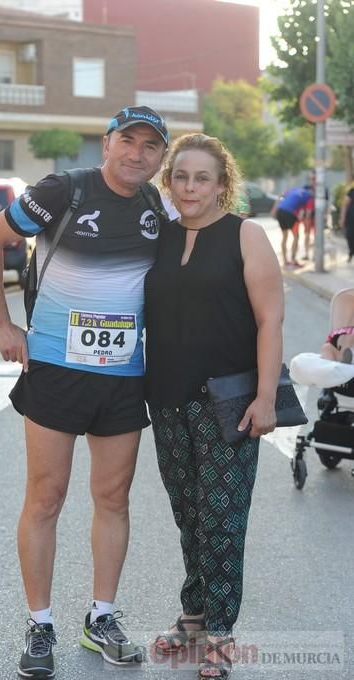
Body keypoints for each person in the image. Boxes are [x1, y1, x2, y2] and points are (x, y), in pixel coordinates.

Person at [0, 105, 168, 678]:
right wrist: (1, 324)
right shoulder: (65, 190)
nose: (137, 153)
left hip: (124, 374)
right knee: (46, 497)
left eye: (150, 146)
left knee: (114, 498)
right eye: (127, 141)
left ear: (160, 157)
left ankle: (101, 618)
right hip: (56, 367)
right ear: (107, 144)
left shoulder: (157, 207)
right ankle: (40, 624)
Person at [144, 133, 284, 679]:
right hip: (167, 399)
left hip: (229, 400)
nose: (190, 187)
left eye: (202, 178)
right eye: (180, 177)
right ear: (168, 181)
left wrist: (267, 396)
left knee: (223, 520)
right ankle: (195, 615)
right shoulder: (158, 236)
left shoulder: (246, 235)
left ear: (222, 184)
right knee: (190, 516)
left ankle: (221, 632)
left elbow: (270, 319)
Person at [271, 182, 314, 269]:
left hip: (280, 210)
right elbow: (308, 214)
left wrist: (274, 209)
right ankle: (293, 260)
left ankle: (285, 261)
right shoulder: (309, 197)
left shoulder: (293, 190)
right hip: (290, 213)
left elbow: (280, 196)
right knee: (296, 237)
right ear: (311, 191)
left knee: (284, 236)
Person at [339, 181, 354, 262]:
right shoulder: (351, 192)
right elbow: (345, 205)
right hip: (351, 220)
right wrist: (342, 218)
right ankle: (351, 252)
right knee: (350, 237)